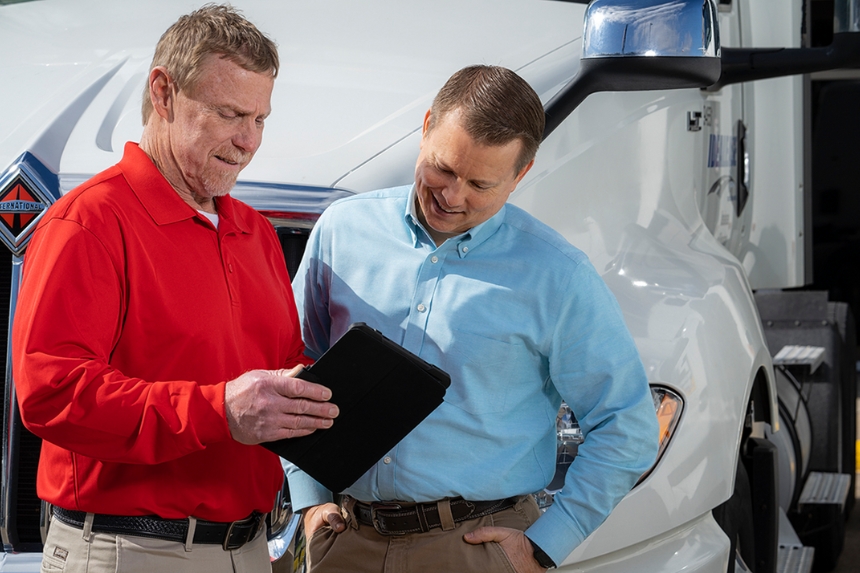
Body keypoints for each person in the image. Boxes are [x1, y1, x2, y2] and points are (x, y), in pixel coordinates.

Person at [286, 65, 661, 572]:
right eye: (443, 167)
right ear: (425, 129)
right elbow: (294, 364)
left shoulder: (557, 274)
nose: (452, 195)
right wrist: (308, 500)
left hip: (478, 551)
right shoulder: (342, 230)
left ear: (520, 175)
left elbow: (628, 425)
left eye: (480, 183)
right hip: (345, 540)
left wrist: (547, 543)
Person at [12, 5, 338, 572]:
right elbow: (51, 395)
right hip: (128, 553)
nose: (247, 141)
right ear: (162, 94)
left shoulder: (254, 232)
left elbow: (278, 371)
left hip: (253, 551)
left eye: (260, 119)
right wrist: (220, 412)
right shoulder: (89, 222)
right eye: (229, 113)